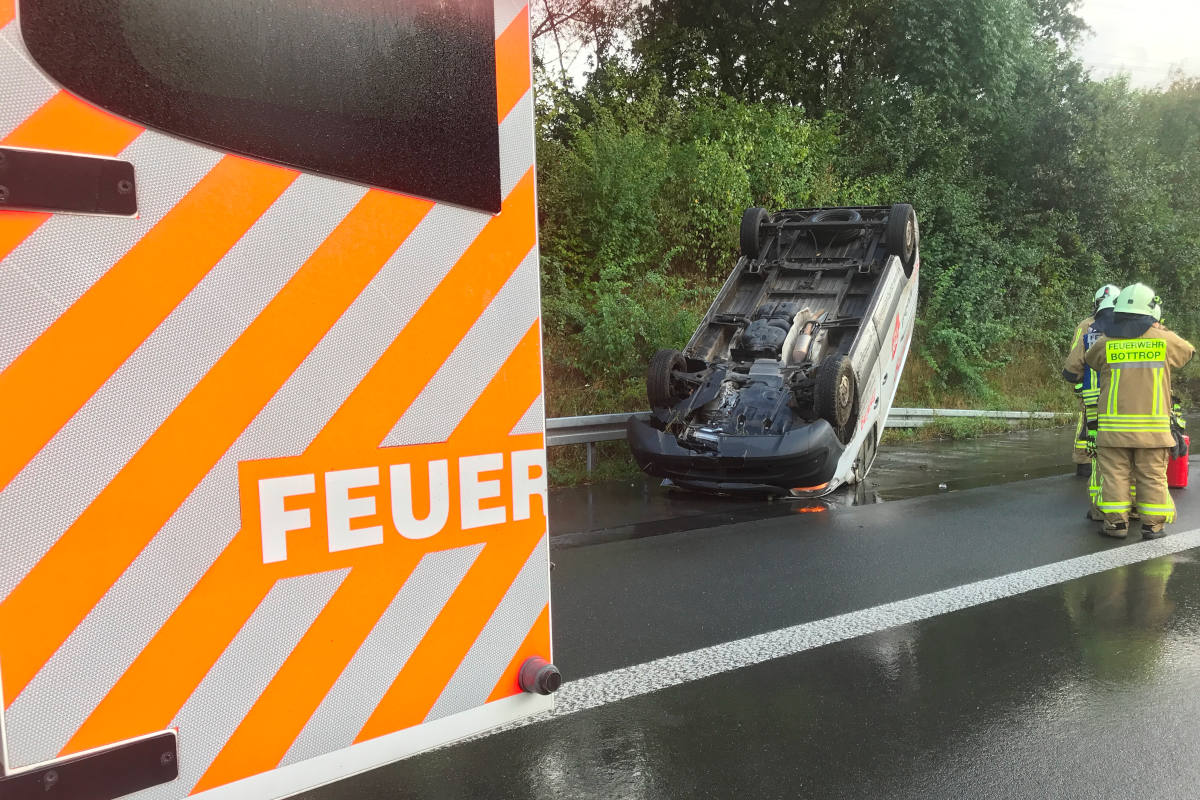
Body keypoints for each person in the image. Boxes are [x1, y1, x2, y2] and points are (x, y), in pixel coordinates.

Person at [1080, 283, 1194, 539]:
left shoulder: (1106, 341)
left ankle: (1115, 525)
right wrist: (1159, 330)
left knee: (1115, 477)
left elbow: (1090, 360)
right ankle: (1152, 527)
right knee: (1152, 476)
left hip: (1113, 430)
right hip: (1152, 430)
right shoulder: (1163, 340)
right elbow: (1188, 352)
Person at [1063, 284, 1120, 518]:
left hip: (1093, 391)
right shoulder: (1132, 327)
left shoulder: (1087, 326)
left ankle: (1086, 464)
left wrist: (1075, 380)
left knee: (1088, 425)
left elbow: (1075, 359)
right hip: (1121, 395)